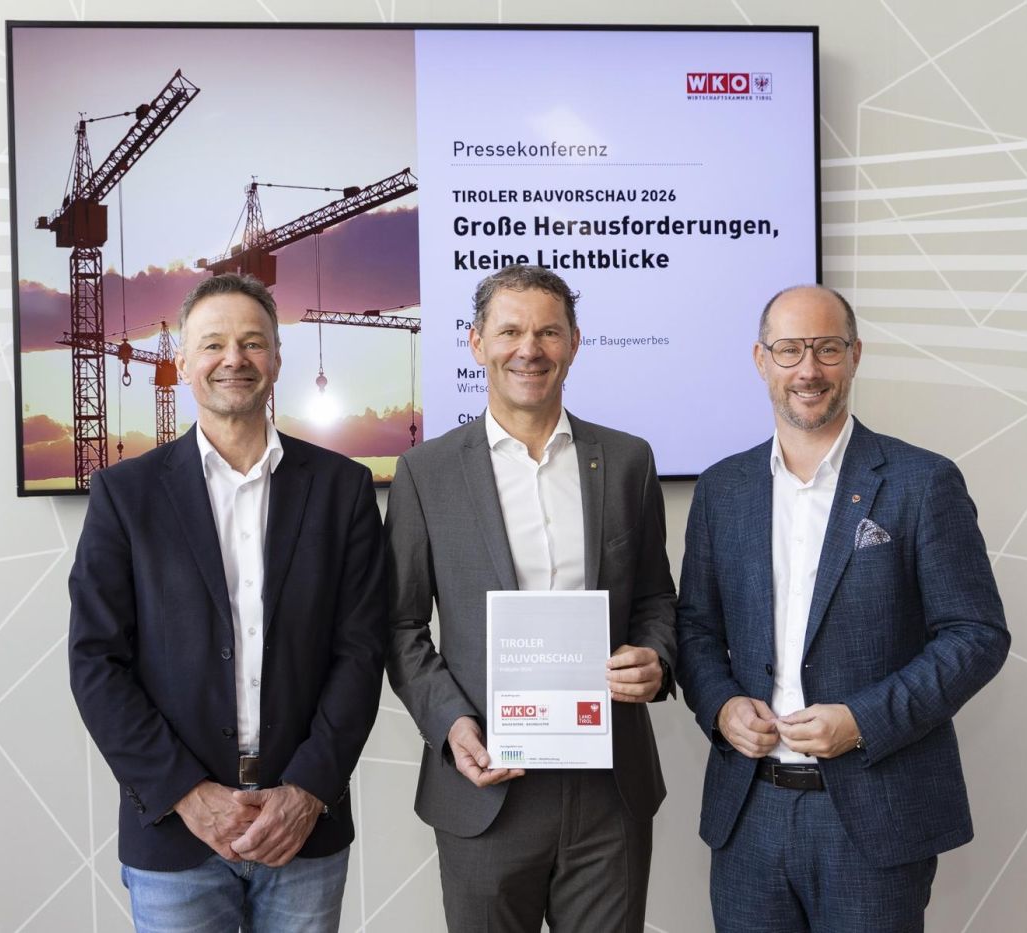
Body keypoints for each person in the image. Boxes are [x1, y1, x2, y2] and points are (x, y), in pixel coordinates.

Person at [676, 284, 1010, 932]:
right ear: (761, 359)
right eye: (789, 350)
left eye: (827, 348)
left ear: (855, 355)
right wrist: (720, 705)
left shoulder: (922, 482)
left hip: (873, 813)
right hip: (748, 814)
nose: (808, 369)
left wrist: (861, 720)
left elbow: (975, 634)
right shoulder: (722, 489)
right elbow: (694, 627)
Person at [68, 273, 386, 932]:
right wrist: (186, 794)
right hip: (174, 833)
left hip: (303, 828)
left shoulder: (343, 490)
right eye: (212, 344)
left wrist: (307, 790)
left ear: (276, 358)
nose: (233, 359)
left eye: (252, 342)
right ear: (183, 361)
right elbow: (96, 662)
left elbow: (361, 652)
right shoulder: (125, 496)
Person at [384, 264, 676, 932]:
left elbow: (656, 597)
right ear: (476, 343)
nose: (530, 349)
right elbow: (400, 625)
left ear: (574, 342)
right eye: (510, 331)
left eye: (548, 332)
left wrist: (655, 659)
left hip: (608, 789)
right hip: (487, 786)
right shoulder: (426, 472)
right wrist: (451, 724)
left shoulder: (627, 460)